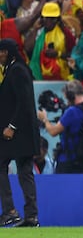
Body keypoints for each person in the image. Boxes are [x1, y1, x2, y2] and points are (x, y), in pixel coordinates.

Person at [0, 38, 40, 227]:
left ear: (6, 52)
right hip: (20, 133)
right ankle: (30, 216)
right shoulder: (15, 69)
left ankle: (10, 211)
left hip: (18, 133)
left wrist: (12, 126)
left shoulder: (17, 71)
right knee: (25, 172)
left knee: (15, 169)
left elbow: (25, 103)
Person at [37, 80, 83, 174]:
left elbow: (53, 132)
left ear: (71, 95)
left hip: (68, 161)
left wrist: (45, 119)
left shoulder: (72, 111)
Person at [26, 2, 76, 80]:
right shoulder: (38, 31)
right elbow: (28, 49)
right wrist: (35, 29)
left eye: (52, 18)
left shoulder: (65, 33)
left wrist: (58, 54)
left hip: (61, 77)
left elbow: (74, 55)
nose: (48, 21)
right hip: (39, 77)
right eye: (46, 17)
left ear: (57, 19)